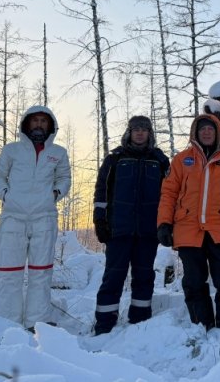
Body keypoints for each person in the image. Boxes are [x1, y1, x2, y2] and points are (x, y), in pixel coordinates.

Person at [157, 114, 220, 334]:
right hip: (188, 230)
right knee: (193, 282)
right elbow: (168, 193)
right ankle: (202, 325)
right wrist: (164, 223)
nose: (207, 133)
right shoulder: (182, 160)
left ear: (218, 132)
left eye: (211, 129)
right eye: (202, 130)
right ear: (195, 133)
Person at [0, 106, 71, 329]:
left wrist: (54, 194)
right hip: (13, 218)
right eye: (35, 121)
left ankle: (36, 324)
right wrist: (6, 195)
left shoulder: (59, 153)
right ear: (27, 124)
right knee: (9, 273)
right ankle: (8, 325)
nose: (39, 125)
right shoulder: (11, 150)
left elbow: (64, 178)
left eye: (44, 121)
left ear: (50, 126)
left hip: (44, 218)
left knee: (41, 273)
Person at [91, 115, 170, 335]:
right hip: (119, 230)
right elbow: (101, 192)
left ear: (150, 133)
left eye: (144, 129)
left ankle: (140, 321)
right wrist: (100, 220)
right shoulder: (115, 159)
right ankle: (104, 323)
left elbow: (169, 196)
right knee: (113, 276)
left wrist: (166, 224)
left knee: (144, 276)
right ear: (129, 132)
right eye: (136, 129)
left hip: (148, 231)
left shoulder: (160, 161)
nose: (140, 133)